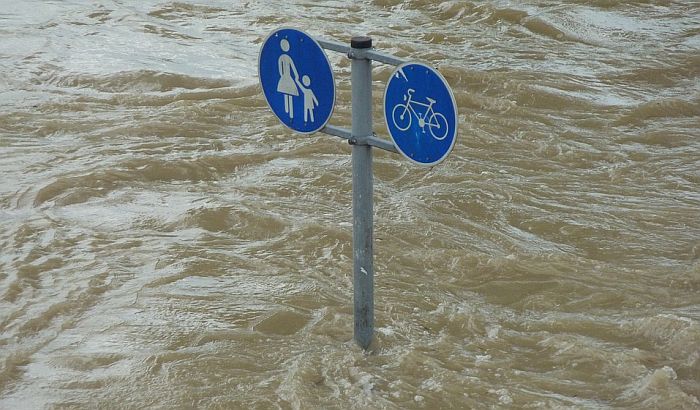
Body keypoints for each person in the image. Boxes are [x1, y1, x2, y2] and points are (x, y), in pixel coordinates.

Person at [276, 39, 299, 119]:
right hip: (288, 77)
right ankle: (289, 114)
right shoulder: (286, 57)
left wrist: (283, 75)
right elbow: (293, 68)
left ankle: (287, 112)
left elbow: (281, 69)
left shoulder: (281, 57)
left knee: (286, 93)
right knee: (289, 94)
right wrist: (296, 76)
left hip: (285, 77)